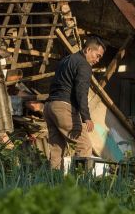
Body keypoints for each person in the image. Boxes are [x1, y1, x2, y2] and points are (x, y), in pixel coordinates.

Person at [44, 36, 105, 169]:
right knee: (84, 145)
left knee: (56, 148)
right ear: (88, 50)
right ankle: (80, 184)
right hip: (64, 107)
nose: (97, 60)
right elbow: (81, 92)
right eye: (97, 55)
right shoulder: (84, 65)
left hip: (50, 106)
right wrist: (86, 117)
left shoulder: (66, 60)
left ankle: (52, 184)